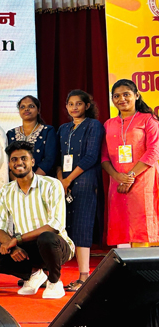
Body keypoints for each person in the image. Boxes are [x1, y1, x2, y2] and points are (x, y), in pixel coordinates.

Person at [0, 141, 74, 299]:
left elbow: (54, 226)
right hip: (27, 248)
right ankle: (33, 275)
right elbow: (0, 227)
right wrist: (12, 246)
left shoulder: (52, 184)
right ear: (10, 164)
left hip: (56, 245)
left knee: (47, 237)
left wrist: (16, 240)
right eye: (14, 159)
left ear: (32, 161)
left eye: (23, 158)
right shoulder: (6, 190)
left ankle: (54, 281)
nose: (19, 163)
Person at [101, 79, 159, 247]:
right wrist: (118, 177)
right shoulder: (109, 124)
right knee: (123, 229)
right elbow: (103, 157)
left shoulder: (148, 120)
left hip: (142, 181)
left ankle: (143, 272)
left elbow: (154, 151)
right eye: (117, 96)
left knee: (141, 228)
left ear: (136, 96)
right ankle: (128, 272)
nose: (122, 99)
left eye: (126, 94)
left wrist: (130, 176)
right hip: (118, 182)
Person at [57, 90, 104, 292]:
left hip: (84, 179)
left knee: (82, 225)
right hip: (63, 182)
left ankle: (84, 277)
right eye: (70, 104)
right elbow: (58, 157)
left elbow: (91, 156)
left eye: (79, 103)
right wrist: (61, 180)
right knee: (62, 226)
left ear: (87, 105)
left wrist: (68, 179)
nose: (74, 107)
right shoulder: (63, 129)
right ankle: (52, 275)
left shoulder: (94, 125)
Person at [6, 95, 58, 177]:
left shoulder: (48, 131)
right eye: (22, 107)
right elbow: (7, 160)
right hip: (16, 182)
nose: (26, 109)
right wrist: (18, 182)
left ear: (38, 110)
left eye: (31, 106)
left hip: (42, 181)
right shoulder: (11, 133)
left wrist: (33, 180)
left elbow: (49, 159)